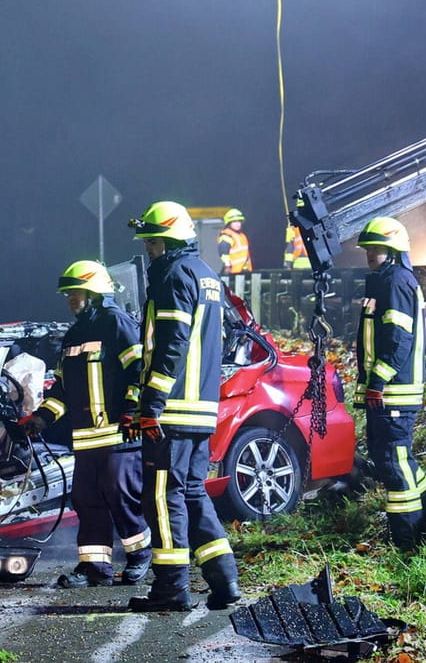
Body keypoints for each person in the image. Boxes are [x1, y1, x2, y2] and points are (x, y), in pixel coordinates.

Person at [124, 201, 240, 612]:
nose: (149, 250)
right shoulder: (206, 275)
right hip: (200, 410)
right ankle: (224, 578)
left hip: (171, 413)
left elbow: (170, 344)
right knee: (192, 493)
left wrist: (151, 404)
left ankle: (171, 588)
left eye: (152, 242)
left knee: (162, 497)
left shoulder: (172, 276)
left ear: (168, 240)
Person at [20, 260, 150, 588]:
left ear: (94, 293)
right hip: (87, 438)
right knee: (86, 499)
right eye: (68, 294)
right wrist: (41, 418)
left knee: (121, 493)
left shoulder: (117, 324)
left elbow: (139, 371)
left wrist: (133, 409)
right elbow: (62, 388)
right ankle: (95, 567)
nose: (70, 299)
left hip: (119, 434)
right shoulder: (74, 335)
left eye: (76, 292)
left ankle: (140, 553)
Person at [353, 218, 426, 551]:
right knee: (395, 458)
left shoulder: (395, 282)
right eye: (367, 248)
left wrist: (377, 381)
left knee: (393, 463)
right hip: (386, 391)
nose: (369, 254)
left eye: (375, 248)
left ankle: (407, 541)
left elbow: (398, 339)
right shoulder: (386, 280)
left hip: (392, 391)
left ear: (392, 250)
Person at [216, 208, 252, 274]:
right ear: (229, 223)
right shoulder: (227, 235)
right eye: (235, 221)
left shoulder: (242, 236)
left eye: (239, 221)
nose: (238, 224)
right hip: (232, 272)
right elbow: (223, 252)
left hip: (243, 271)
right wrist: (227, 265)